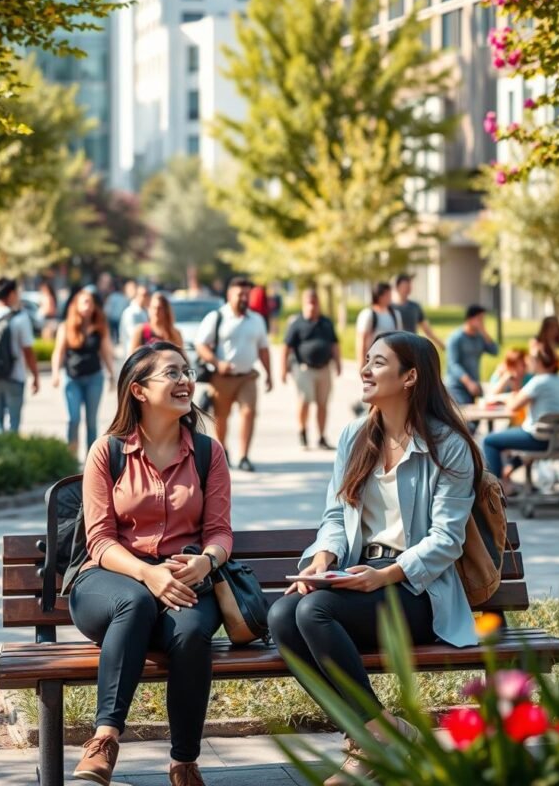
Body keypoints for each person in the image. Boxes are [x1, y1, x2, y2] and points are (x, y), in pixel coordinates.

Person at [268, 331, 481, 786]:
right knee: (284, 614)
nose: (364, 370)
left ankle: (369, 745)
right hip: (357, 575)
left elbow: (447, 539)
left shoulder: (449, 447)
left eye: (377, 363)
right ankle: (379, 735)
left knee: (315, 610)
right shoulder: (354, 436)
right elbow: (333, 514)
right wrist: (323, 558)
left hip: (417, 588)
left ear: (410, 377)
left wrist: (385, 575)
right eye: (365, 360)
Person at [69, 342, 232, 786]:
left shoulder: (207, 452)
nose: (185, 381)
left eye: (187, 371)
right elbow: (99, 540)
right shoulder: (108, 451)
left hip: (184, 579)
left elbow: (220, 531)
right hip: (111, 580)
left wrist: (206, 561)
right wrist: (148, 573)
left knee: (194, 633)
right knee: (136, 604)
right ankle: (104, 740)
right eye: (172, 374)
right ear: (138, 391)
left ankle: (184, 762)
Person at [195, 276, 272, 472]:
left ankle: (245, 455)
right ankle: (223, 450)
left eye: (247, 294)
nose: (244, 298)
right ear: (230, 295)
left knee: (249, 413)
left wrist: (269, 374)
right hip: (222, 378)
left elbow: (263, 349)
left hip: (247, 376)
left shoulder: (257, 320)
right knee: (221, 417)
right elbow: (201, 345)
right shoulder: (217, 317)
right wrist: (217, 363)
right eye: (240, 294)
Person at [483, 345, 559, 494]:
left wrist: (508, 398)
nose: (528, 363)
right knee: (512, 434)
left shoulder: (538, 381)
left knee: (490, 441)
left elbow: (513, 406)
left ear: (539, 362)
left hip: (539, 440)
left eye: (532, 360)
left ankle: (497, 490)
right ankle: (509, 473)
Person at [52, 289, 115, 455]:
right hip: (72, 378)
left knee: (91, 422)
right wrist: (55, 373)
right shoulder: (66, 327)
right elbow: (59, 351)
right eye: (84, 302)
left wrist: (112, 374)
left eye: (90, 303)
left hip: (94, 377)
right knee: (73, 419)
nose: (88, 306)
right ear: (76, 306)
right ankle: (70, 457)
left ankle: (92, 460)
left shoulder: (99, 327)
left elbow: (106, 352)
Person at [281, 288, 341, 450]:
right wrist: (283, 369)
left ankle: (321, 437)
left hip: (324, 368)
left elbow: (334, 343)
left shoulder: (326, 323)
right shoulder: (297, 323)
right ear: (304, 304)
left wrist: (338, 363)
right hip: (304, 368)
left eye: (315, 302)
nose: (312, 306)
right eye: (309, 303)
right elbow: (286, 347)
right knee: (305, 401)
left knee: (323, 403)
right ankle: (303, 433)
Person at [0, 277, 39, 432]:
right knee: (14, 424)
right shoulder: (20, 317)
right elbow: (28, 350)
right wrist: (35, 375)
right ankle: (12, 454)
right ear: (12, 294)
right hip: (14, 376)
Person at [445, 304, 498, 406]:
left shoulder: (480, 337)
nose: (482, 322)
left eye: (483, 319)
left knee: (483, 412)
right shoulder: (456, 338)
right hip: (458, 386)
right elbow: (453, 364)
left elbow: (494, 351)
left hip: (475, 383)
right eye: (479, 319)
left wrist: (484, 332)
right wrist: (468, 382)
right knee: (465, 417)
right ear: (469, 319)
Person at [355, 283, 402, 373]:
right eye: (387, 295)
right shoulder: (367, 314)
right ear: (379, 296)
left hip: (390, 359)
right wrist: (361, 362)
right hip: (373, 359)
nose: (390, 297)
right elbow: (362, 338)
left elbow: (399, 336)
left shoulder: (395, 314)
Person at [393, 274, 445, 351]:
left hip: (412, 346)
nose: (408, 288)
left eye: (409, 285)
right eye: (405, 285)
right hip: (395, 346)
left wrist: (441, 344)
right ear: (397, 287)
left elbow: (427, 330)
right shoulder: (389, 308)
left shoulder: (415, 307)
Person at [119, 284, 150, 353]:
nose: (145, 298)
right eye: (143, 295)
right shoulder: (131, 312)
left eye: (146, 295)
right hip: (133, 352)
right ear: (137, 295)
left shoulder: (145, 311)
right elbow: (133, 334)